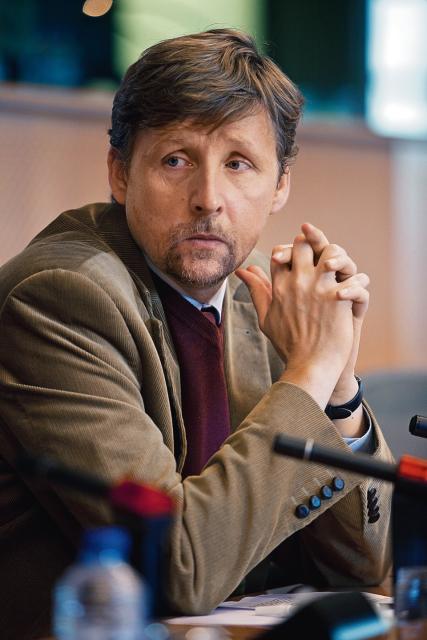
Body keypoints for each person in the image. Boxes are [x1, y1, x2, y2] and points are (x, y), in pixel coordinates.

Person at [0, 28, 392, 639]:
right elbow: (176, 569)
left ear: (280, 184)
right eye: (176, 161)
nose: (208, 199)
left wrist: (338, 388)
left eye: (238, 164)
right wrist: (310, 371)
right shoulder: (59, 298)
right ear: (120, 174)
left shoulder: (258, 300)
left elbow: (365, 567)